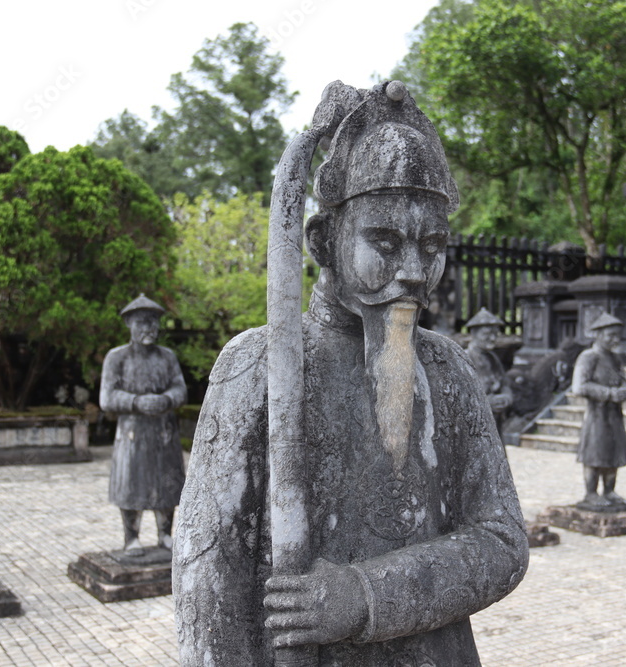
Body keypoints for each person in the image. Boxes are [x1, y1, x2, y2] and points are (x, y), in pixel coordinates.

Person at [173, 81, 528, 666]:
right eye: (384, 243)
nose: (414, 270)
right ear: (323, 240)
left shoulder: (447, 369)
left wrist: (363, 595)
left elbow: (502, 541)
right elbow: (207, 581)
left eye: (432, 245)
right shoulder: (256, 367)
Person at [99, 294, 187, 555]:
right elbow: (107, 397)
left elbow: (181, 389)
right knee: (131, 484)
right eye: (142, 323)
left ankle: (165, 535)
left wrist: (166, 399)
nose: (149, 328)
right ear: (130, 325)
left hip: (164, 432)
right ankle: (131, 538)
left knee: (167, 483)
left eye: (153, 323)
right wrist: (136, 401)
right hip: (132, 433)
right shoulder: (117, 358)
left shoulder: (167, 357)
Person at [571, 313, 626, 509]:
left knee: (614, 452)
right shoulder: (589, 357)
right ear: (598, 335)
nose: (615, 340)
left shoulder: (614, 358)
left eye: (618, 336)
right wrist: (608, 393)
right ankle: (591, 493)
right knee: (595, 453)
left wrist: (624, 390)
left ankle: (609, 490)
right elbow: (579, 386)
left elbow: (623, 381)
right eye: (610, 335)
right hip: (597, 414)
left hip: (614, 414)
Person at [464, 308, 513, 425]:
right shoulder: (464, 358)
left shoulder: (493, 358)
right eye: (487, 334)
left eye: (495, 334)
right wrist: (487, 402)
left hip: (495, 420)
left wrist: (506, 398)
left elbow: (505, 384)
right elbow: (460, 395)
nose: (492, 338)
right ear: (473, 333)